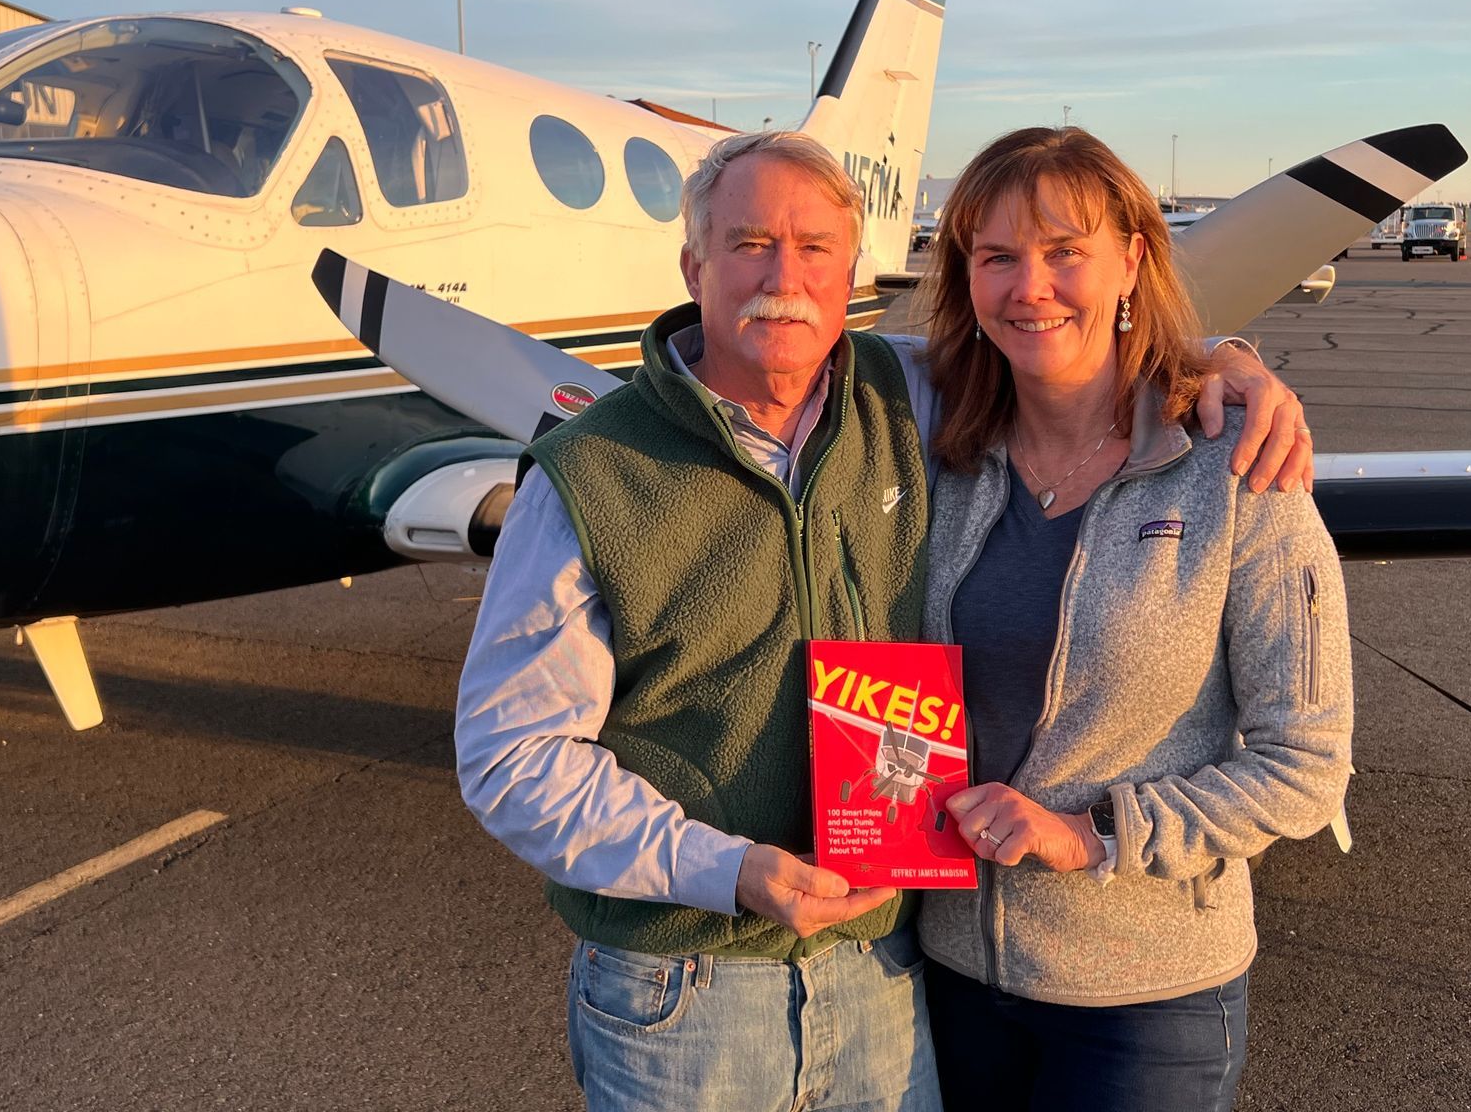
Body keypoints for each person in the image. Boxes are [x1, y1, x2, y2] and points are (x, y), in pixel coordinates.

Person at [454, 130, 1314, 1112]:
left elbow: (1059, 342)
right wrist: (730, 871)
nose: (785, 277)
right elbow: (512, 757)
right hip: (685, 993)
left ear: (852, 272)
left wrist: (1219, 360)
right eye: (748, 244)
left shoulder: (902, 391)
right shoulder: (588, 476)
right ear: (693, 265)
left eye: (815, 247)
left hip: (884, 973)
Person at [914, 127, 1353, 1112]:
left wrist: (1094, 835)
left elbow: (1307, 763)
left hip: (1146, 1001)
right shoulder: (935, 448)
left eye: (1066, 250)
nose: (1032, 286)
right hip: (947, 975)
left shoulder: (1237, 467)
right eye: (997, 257)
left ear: (1134, 260)